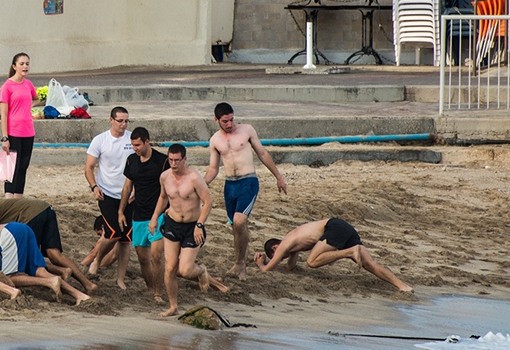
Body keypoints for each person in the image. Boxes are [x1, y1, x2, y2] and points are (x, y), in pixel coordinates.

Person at [204, 102, 287, 281]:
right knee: (237, 227)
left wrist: (278, 177)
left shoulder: (247, 130)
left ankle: (241, 264)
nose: (229, 124)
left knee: (240, 220)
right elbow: (213, 168)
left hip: (248, 181)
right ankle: (239, 262)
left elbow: (262, 154)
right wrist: (202, 185)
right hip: (229, 185)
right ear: (216, 120)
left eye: (232, 119)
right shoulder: (215, 140)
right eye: (225, 121)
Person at [150, 144, 228, 317]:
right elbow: (163, 197)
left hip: (192, 226)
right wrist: (155, 217)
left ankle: (201, 271)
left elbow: (208, 202)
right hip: (172, 224)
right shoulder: (164, 177)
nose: (174, 163)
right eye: (171, 160)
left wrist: (199, 225)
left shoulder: (194, 178)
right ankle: (173, 306)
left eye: (177, 160)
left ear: (184, 159)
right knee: (170, 268)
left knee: (184, 271)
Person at [0, 198, 97, 293]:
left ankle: (58, 277)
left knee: (29, 260)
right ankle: (87, 283)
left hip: (31, 215)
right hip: (45, 208)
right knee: (55, 255)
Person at [254, 218, 413, 292]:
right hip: (342, 227)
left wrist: (262, 264)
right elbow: (290, 267)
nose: (281, 257)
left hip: (333, 227)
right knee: (369, 265)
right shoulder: (294, 246)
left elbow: (268, 269)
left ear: (275, 248)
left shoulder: (285, 243)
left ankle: (349, 251)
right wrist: (282, 264)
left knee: (312, 262)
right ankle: (403, 286)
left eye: (278, 256)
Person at [0, 222, 91, 305]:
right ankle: (79, 295)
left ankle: (49, 282)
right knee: (40, 271)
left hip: (10, 233)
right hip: (21, 228)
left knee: (9, 277)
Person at [85, 106, 135, 289]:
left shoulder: (132, 139)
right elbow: (89, 167)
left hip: (128, 195)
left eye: (126, 121)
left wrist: (136, 187)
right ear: (111, 120)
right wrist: (94, 186)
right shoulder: (100, 140)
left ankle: (120, 278)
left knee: (125, 239)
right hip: (106, 193)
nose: (123, 124)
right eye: (120, 120)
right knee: (113, 233)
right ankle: (96, 260)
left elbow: (142, 162)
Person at [118, 127, 168, 303]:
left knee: (156, 256)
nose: (135, 148)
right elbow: (127, 187)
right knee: (142, 258)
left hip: (158, 214)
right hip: (138, 215)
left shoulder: (162, 161)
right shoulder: (132, 160)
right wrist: (121, 211)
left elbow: (170, 186)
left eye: (138, 145)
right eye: (132, 145)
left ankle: (158, 293)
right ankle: (150, 287)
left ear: (147, 141)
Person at [0, 53, 37, 198]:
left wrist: (27, 107)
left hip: (28, 132)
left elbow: (36, 98)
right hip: (13, 132)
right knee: (11, 168)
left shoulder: (28, 84)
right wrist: (5, 137)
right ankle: (8, 200)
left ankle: (18, 199)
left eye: (27, 63)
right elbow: (3, 114)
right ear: (14, 66)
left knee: (23, 167)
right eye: (22, 64)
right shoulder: (7, 86)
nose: (25, 66)